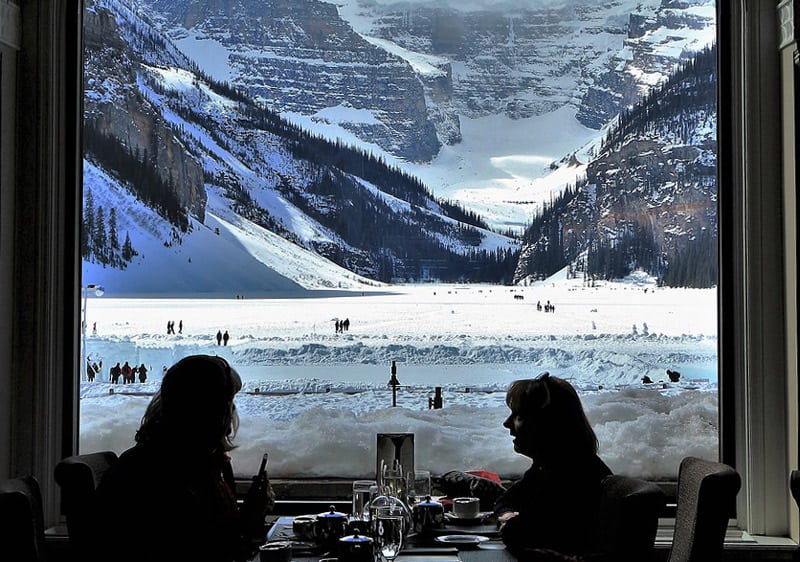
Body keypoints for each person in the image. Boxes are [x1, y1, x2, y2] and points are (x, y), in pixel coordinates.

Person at [90, 355, 274, 562]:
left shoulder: (156, 462)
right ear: (210, 413)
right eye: (228, 403)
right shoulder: (169, 476)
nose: (231, 414)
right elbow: (215, 548)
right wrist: (251, 518)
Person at [493, 373, 611, 559]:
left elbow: (519, 533)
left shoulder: (571, 477)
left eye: (519, 416)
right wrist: (509, 516)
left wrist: (510, 521)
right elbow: (507, 501)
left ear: (546, 424)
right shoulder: (549, 466)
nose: (507, 423)